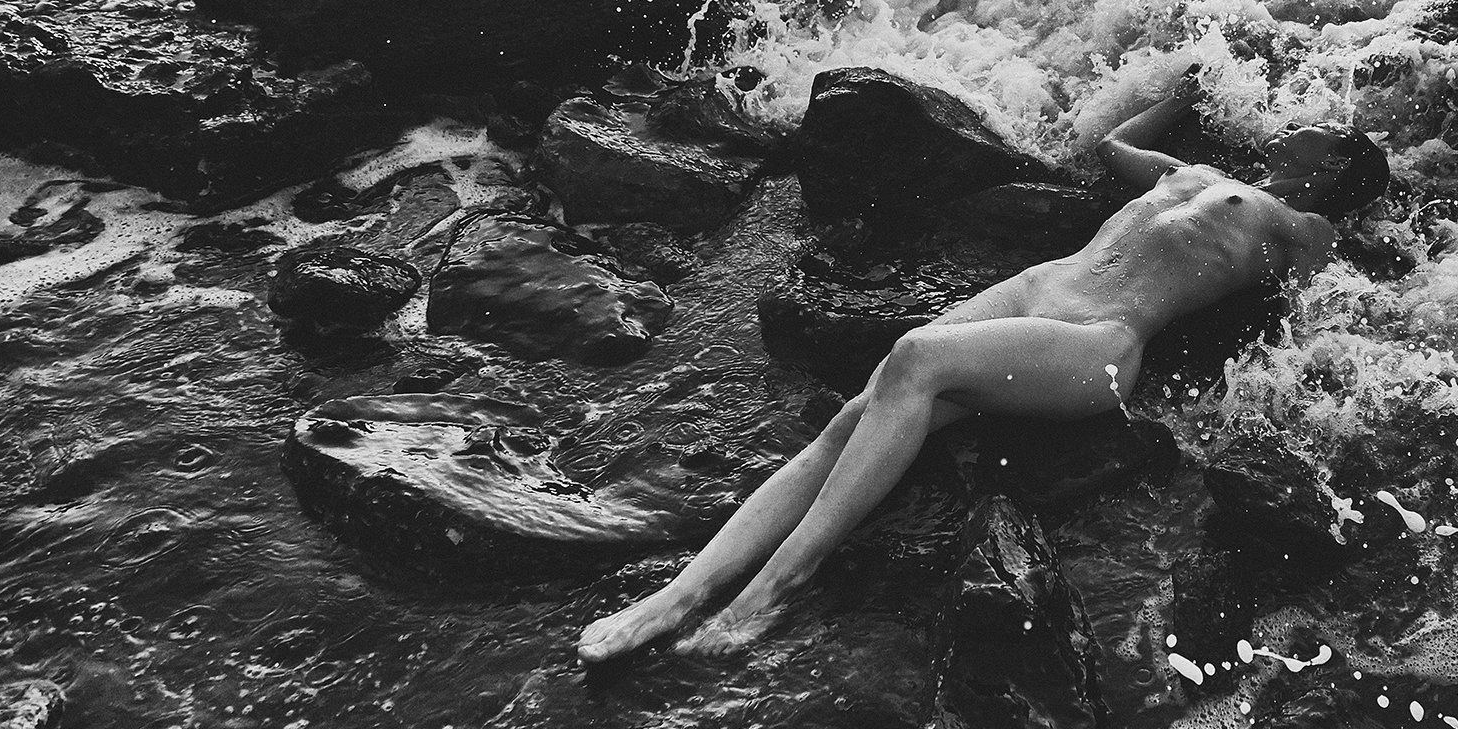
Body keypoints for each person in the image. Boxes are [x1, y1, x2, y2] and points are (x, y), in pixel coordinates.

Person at [577, 76, 1390, 663]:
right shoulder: (1199, 174)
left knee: (914, 359)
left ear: (1334, 163)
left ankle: (776, 587)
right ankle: (679, 594)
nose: (1298, 125)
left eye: (1319, 131)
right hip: (1036, 290)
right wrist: (1180, 93)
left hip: (1098, 340)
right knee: (851, 418)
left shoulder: (1302, 224)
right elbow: (1113, 148)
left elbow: (1337, 306)